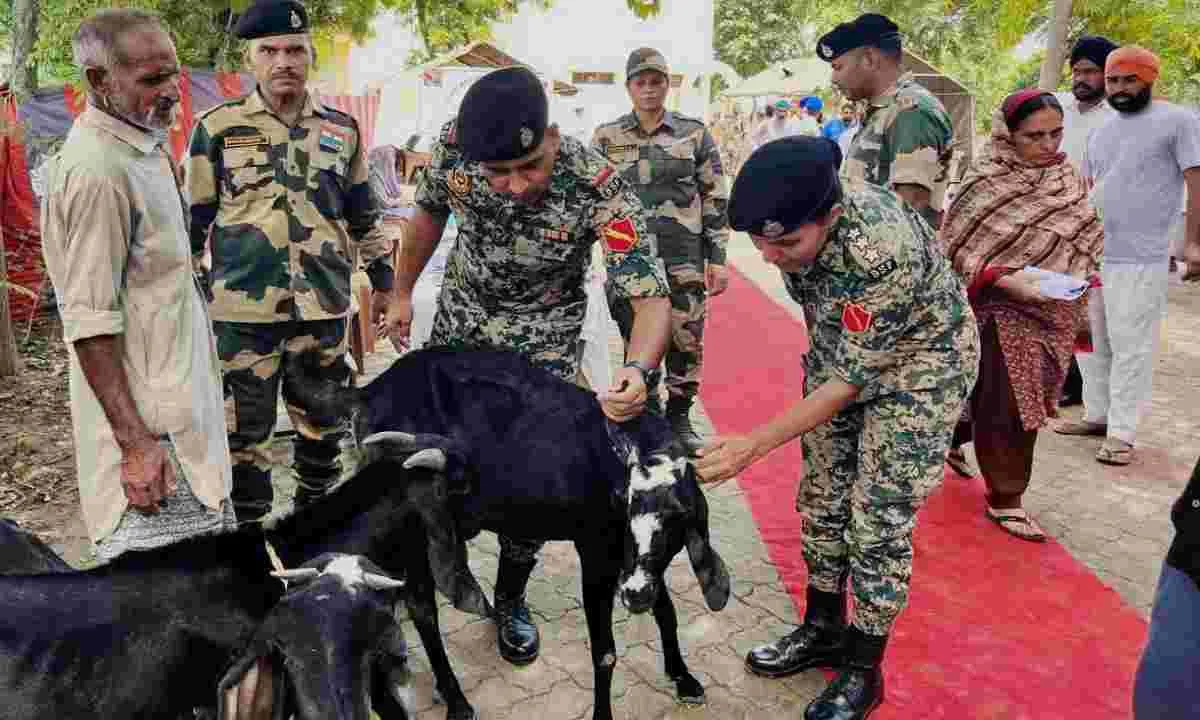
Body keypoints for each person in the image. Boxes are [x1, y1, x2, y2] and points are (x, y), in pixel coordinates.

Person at [385, 66, 671, 666]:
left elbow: (649, 297)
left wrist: (639, 371)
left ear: (554, 138)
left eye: (530, 167)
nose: (515, 185)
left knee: (535, 478)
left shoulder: (597, 185)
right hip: (461, 336)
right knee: (439, 461)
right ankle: (438, 571)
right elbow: (428, 217)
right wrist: (401, 291)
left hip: (542, 347)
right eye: (499, 174)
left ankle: (511, 595)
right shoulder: (453, 151)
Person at [695, 136, 979, 720]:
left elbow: (851, 382)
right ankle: (822, 628)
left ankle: (862, 668)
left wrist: (753, 443)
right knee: (823, 500)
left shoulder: (883, 248)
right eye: (760, 243)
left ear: (833, 215)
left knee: (876, 520)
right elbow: (832, 335)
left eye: (787, 243)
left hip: (919, 369)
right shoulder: (793, 234)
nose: (770, 257)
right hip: (841, 357)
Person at [186, 0, 401, 522]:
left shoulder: (342, 130)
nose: (283, 60)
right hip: (242, 320)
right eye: (269, 51)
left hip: (323, 313)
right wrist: (190, 306)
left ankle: (314, 535)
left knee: (322, 436)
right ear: (251, 61)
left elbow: (362, 216)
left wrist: (387, 287)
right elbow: (191, 226)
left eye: (295, 50)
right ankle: (251, 554)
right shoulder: (215, 128)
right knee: (244, 443)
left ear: (310, 57)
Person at [40, 9, 234, 561]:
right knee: (163, 619)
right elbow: (89, 319)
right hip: (152, 443)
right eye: (151, 80)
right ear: (99, 82)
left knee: (211, 607)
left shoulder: (141, 148)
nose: (171, 90)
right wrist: (136, 447)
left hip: (183, 425)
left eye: (172, 72)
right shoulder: (99, 171)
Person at [942, 90, 1102, 542]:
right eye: (1034, 136)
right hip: (999, 306)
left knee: (991, 391)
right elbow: (956, 247)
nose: (1048, 145)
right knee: (1013, 399)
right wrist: (1000, 278)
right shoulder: (986, 179)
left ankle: (950, 435)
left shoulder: (1064, 176)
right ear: (1007, 135)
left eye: (1056, 133)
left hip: (1054, 305)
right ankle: (1006, 496)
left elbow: (1082, 235)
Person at [1054, 47, 1200, 466]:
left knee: (1131, 343)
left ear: (1149, 79)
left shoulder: (1177, 121)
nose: (1120, 88)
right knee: (1090, 339)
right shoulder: (1103, 129)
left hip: (1142, 254)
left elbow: (1195, 177)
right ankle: (1097, 415)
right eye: (1114, 80)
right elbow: (1090, 187)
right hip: (1094, 251)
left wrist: (1193, 243)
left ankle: (1122, 432)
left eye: (1129, 80)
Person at [591, 48, 730, 454]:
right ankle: (648, 418)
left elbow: (714, 196)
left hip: (683, 257)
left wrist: (718, 258)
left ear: (668, 84)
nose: (649, 89)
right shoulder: (606, 137)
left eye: (657, 81)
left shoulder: (694, 133)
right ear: (629, 86)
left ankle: (680, 418)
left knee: (686, 340)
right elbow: (590, 196)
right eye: (641, 82)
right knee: (637, 338)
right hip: (630, 263)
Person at [818, 13, 953, 231]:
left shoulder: (911, 111)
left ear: (869, 60)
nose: (834, 79)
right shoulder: (883, 110)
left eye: (838, 67)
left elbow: (910, 211)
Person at [1054, 35, 1117, 408]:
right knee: (1059, 305)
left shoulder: (1117, 117)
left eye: (1091, 71)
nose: (1082, 78)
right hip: (1055, 224)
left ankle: (1086, 392)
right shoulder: (1060, 109)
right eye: (1077, 71)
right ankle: (1066, 380)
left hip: (1099, 228)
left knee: (1095, 316)